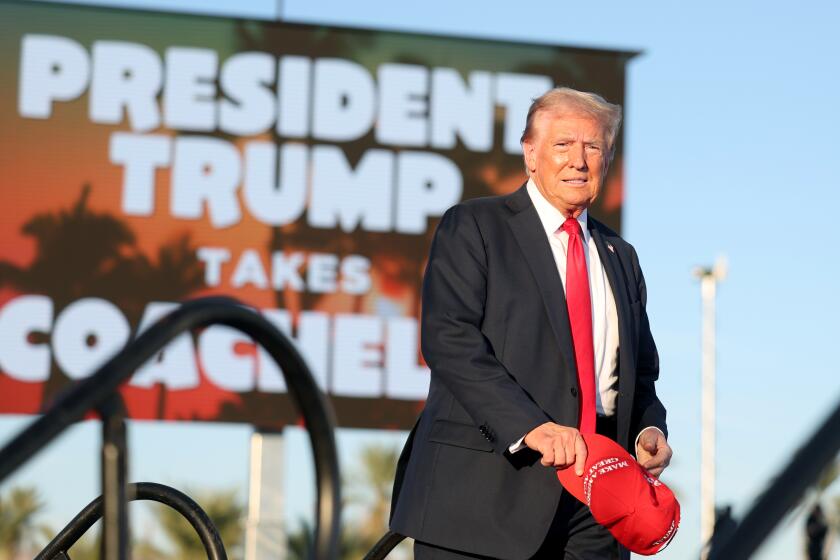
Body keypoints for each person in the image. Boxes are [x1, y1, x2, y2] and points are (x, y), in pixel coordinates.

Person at [389, 87, 673, 560]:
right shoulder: (475, 226)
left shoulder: (620, 256)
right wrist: (532, 427)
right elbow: (450, 340)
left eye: (593, 147)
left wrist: (649, 430)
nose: (578, 160)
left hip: (595, 506)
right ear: (530, 154)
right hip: (484, 496)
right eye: (563, 145)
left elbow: (640, 374)